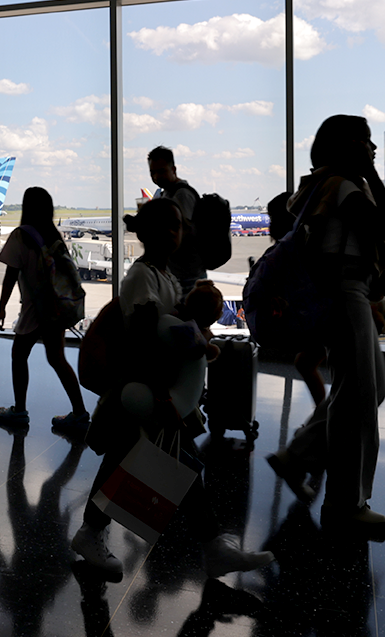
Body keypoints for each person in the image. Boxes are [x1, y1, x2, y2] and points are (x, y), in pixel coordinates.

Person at [69, 198, 272, 579]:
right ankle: (209, 548)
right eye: (162, 225)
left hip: (150, 393)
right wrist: (163, 392)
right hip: (145, 391)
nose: (171, 232)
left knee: (143, 463)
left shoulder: (163, 277)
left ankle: (94, 533)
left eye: (176, 225)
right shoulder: (144, 276)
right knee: (161, 465)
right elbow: (145, 340)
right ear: (143, 234)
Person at [264, 114, 385, 528]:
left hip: (347, 294)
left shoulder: (325, 186)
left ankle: (300, 455)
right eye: (364, 142)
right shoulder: (343, 187)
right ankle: (346, 503)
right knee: (358, 401)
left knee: (366, 389)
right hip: (346, 296)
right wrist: (372, 176)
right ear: (346, 148)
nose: (372, 150)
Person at [0, 186, 88, 431]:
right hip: (55, 308)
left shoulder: (21, 236)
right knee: (58, 359)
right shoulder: (53, 236)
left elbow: (10, 275)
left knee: (18, 356)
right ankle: (80, 413)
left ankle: (20, 410)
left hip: (34, 310)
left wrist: (2, 307)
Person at [147, 146, 204, 291]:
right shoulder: (167, 193)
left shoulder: (182, 195)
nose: (156, 177)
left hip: (187, 275)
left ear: (174, 170)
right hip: (177, 273)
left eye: (161, 171)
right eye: (152, 173)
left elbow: (179, 233)